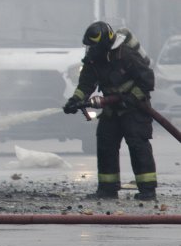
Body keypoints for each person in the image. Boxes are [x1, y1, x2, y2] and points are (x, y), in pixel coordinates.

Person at [63, 21, 157, 200]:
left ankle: (147, 190)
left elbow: (147, 80)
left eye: (94, 46)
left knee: (138, 147)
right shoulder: (94, 58)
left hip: (135, 109)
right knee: (105, 145)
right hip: (111, 109)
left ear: (105, 43)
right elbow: (86, 82)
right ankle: (107, 189)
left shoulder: (126, 55)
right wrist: (75, 99)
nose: (91, 50)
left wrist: (130, 99)